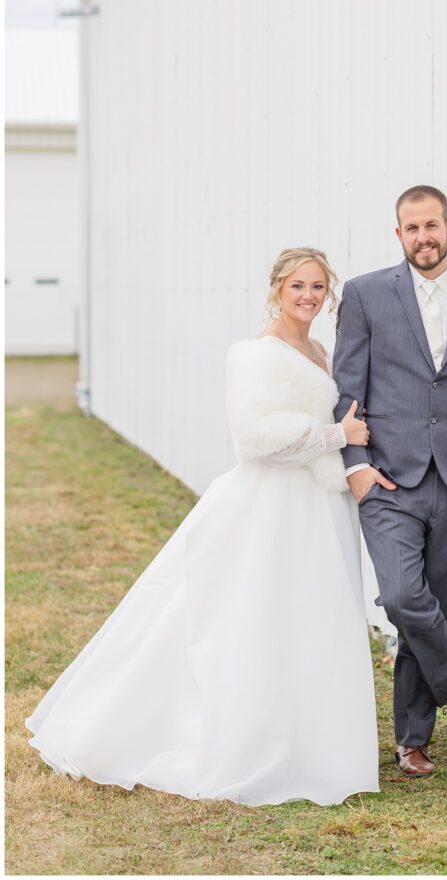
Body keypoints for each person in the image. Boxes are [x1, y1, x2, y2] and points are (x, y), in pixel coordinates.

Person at [26, 247, 380, 805]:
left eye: (318, 287)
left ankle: (308, 739)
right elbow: (255, 438)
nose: (309, 297)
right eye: (298, 287)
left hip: (317, 506)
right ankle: (233, 737)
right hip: (271, 506)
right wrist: (339, 438)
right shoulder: (254, 354)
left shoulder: (319, 349)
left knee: (308, 617)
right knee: (251, 617)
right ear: (276, 290)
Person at [333, 186, 447, 778]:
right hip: (389, 477)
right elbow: (347, 388)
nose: (423, 238)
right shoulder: (365, 295)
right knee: (405, 598)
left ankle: (411, 741)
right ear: (398, 235)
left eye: (431, 225)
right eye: (411, 229)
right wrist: (357, 468)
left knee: (437, 607)